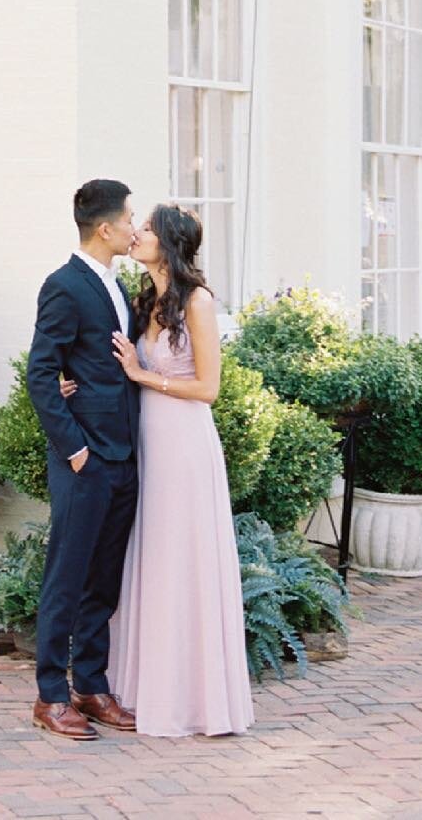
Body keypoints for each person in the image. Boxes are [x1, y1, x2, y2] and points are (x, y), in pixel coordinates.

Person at [108, 204, 254, 738]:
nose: (136, 234)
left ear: (167, 242)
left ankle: (194, 700)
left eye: (145, 228)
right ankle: (148, 690)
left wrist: (141, 375)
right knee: (151, 554)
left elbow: (208, 389)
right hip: (149, 440)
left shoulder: (198, 301)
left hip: (185, 445)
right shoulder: (144, 299)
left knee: (182, 557)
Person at [25, 179, 141, 741]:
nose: (133, 227)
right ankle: (50, 696)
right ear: (105, 227)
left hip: (124, 458)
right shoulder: (65, 286)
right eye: (128, 219)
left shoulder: (119, 287)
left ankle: (90, 686)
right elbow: (41, 374)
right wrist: (74, 450)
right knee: (66, 579)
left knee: (103, 580)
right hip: (86, 461)